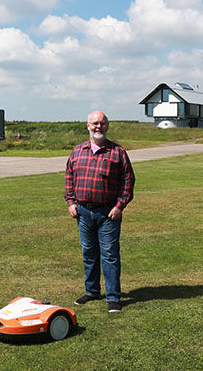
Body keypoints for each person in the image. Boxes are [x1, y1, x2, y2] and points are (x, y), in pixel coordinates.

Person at [65, 111, 135, 313]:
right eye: (95, 123)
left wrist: (119, 206)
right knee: (89, 253)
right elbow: (69, 177)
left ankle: (113, 297)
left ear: (108, 126)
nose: (98, 127)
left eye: (102, 123)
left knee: (110, 255)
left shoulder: (117, 152)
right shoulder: (78, 151)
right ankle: (92, 291)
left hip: (108, 214)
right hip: (84, 212)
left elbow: (128, 182)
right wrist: (71, 202)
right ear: (87, 125)